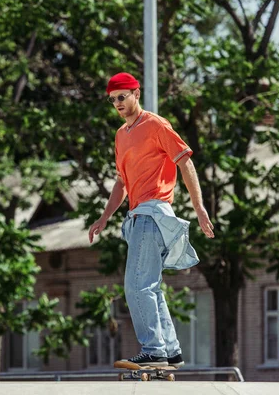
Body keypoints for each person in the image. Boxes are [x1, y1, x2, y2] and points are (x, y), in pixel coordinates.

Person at [88, 72, 214, 368]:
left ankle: (154, 349)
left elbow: (185, 160)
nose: (117, 103)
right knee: (151, 286)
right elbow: (121, 183)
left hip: (153, 212)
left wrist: (199, 207)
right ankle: (170, 351)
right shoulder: (121, 135)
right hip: (136, 217)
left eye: (122, 97)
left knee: (136, 286)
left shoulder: (156, 125)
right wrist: (104, 217)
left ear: (136, 94)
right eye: (112, 99)